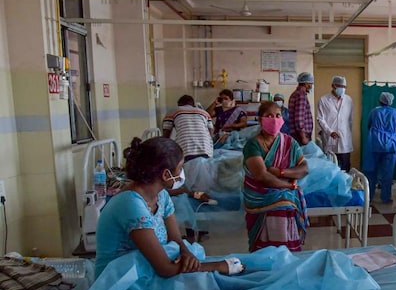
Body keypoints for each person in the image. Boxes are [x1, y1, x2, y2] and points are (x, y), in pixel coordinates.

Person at [95, 137, 243, 278]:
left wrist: (186, 253)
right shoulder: (130, 203)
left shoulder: (162, 196)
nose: (182, 174)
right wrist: (215, 266)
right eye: (180, 168)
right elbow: (165, 269)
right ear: (166, 174)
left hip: (148, 270)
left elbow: (176, 239)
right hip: (122, 281)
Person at [243, 101, 309, 252]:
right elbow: (261, 176)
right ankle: (271, 256)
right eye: (269, 116)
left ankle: (287, 253)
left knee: (285, 201)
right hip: (259, 195)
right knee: (283, 201)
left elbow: (304, 168)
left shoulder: (289, 142)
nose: (274, 119)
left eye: (278, 115)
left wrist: (281, 172)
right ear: (260, 119)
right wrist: (288, 185)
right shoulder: (253, 145)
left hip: (284, 193)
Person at [364, 92, 396, 204]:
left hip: (374, 144)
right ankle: (385, 198)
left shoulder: (374, 112)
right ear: (390, 101)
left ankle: (369, 196)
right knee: (387, 173)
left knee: (371, 172)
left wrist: (377, 133)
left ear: (380, 100)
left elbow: (369, 126)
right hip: (390, 146)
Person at [317, 75, 354, 171]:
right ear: (333, 86)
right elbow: (320, 119)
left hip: (344, 138)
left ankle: (345, 185)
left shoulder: (348, 100)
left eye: (344, 87)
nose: (342, 89)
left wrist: (347, 132)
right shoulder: (323, 100)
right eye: (340, 86)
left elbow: (350, 119)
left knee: (345, 166)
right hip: (330, 138)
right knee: (331, 167)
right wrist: (330, 131)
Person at [162, 94, 214, 162]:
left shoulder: (173, 111)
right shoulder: (204, 113)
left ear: (179, 104)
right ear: (193, 105)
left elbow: (166, 135)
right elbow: (211, 132)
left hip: (186, 150)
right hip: (206, 150)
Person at [288, 72, 315, 146]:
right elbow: (299, 118)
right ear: (306, 84)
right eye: (311, 84)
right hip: (300, 135)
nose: (311, 86)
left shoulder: (296, 93)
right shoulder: (301, 95)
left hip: (297, 134)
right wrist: (303, 137)